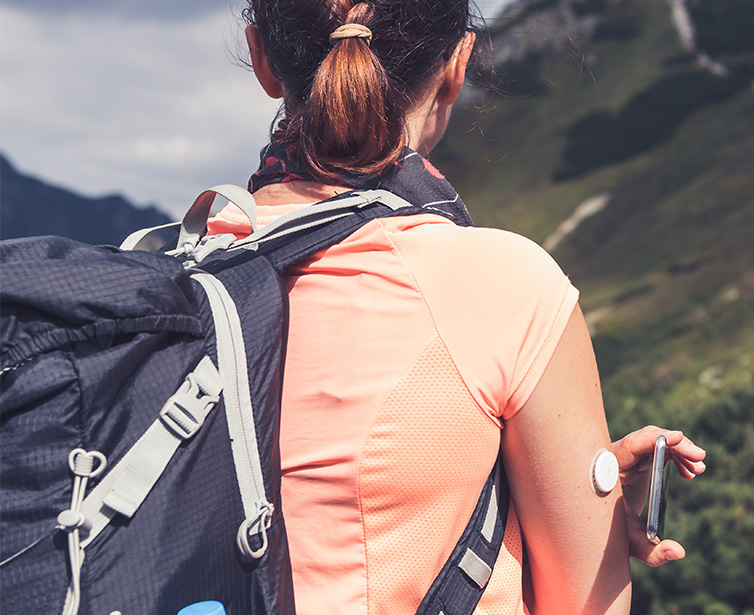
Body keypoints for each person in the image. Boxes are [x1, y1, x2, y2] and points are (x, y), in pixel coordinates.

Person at [206, 1, 707, 613]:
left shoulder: (166, 280)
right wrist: (576, 510)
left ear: (263, 59)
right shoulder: (505, 287)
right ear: (456, 65)